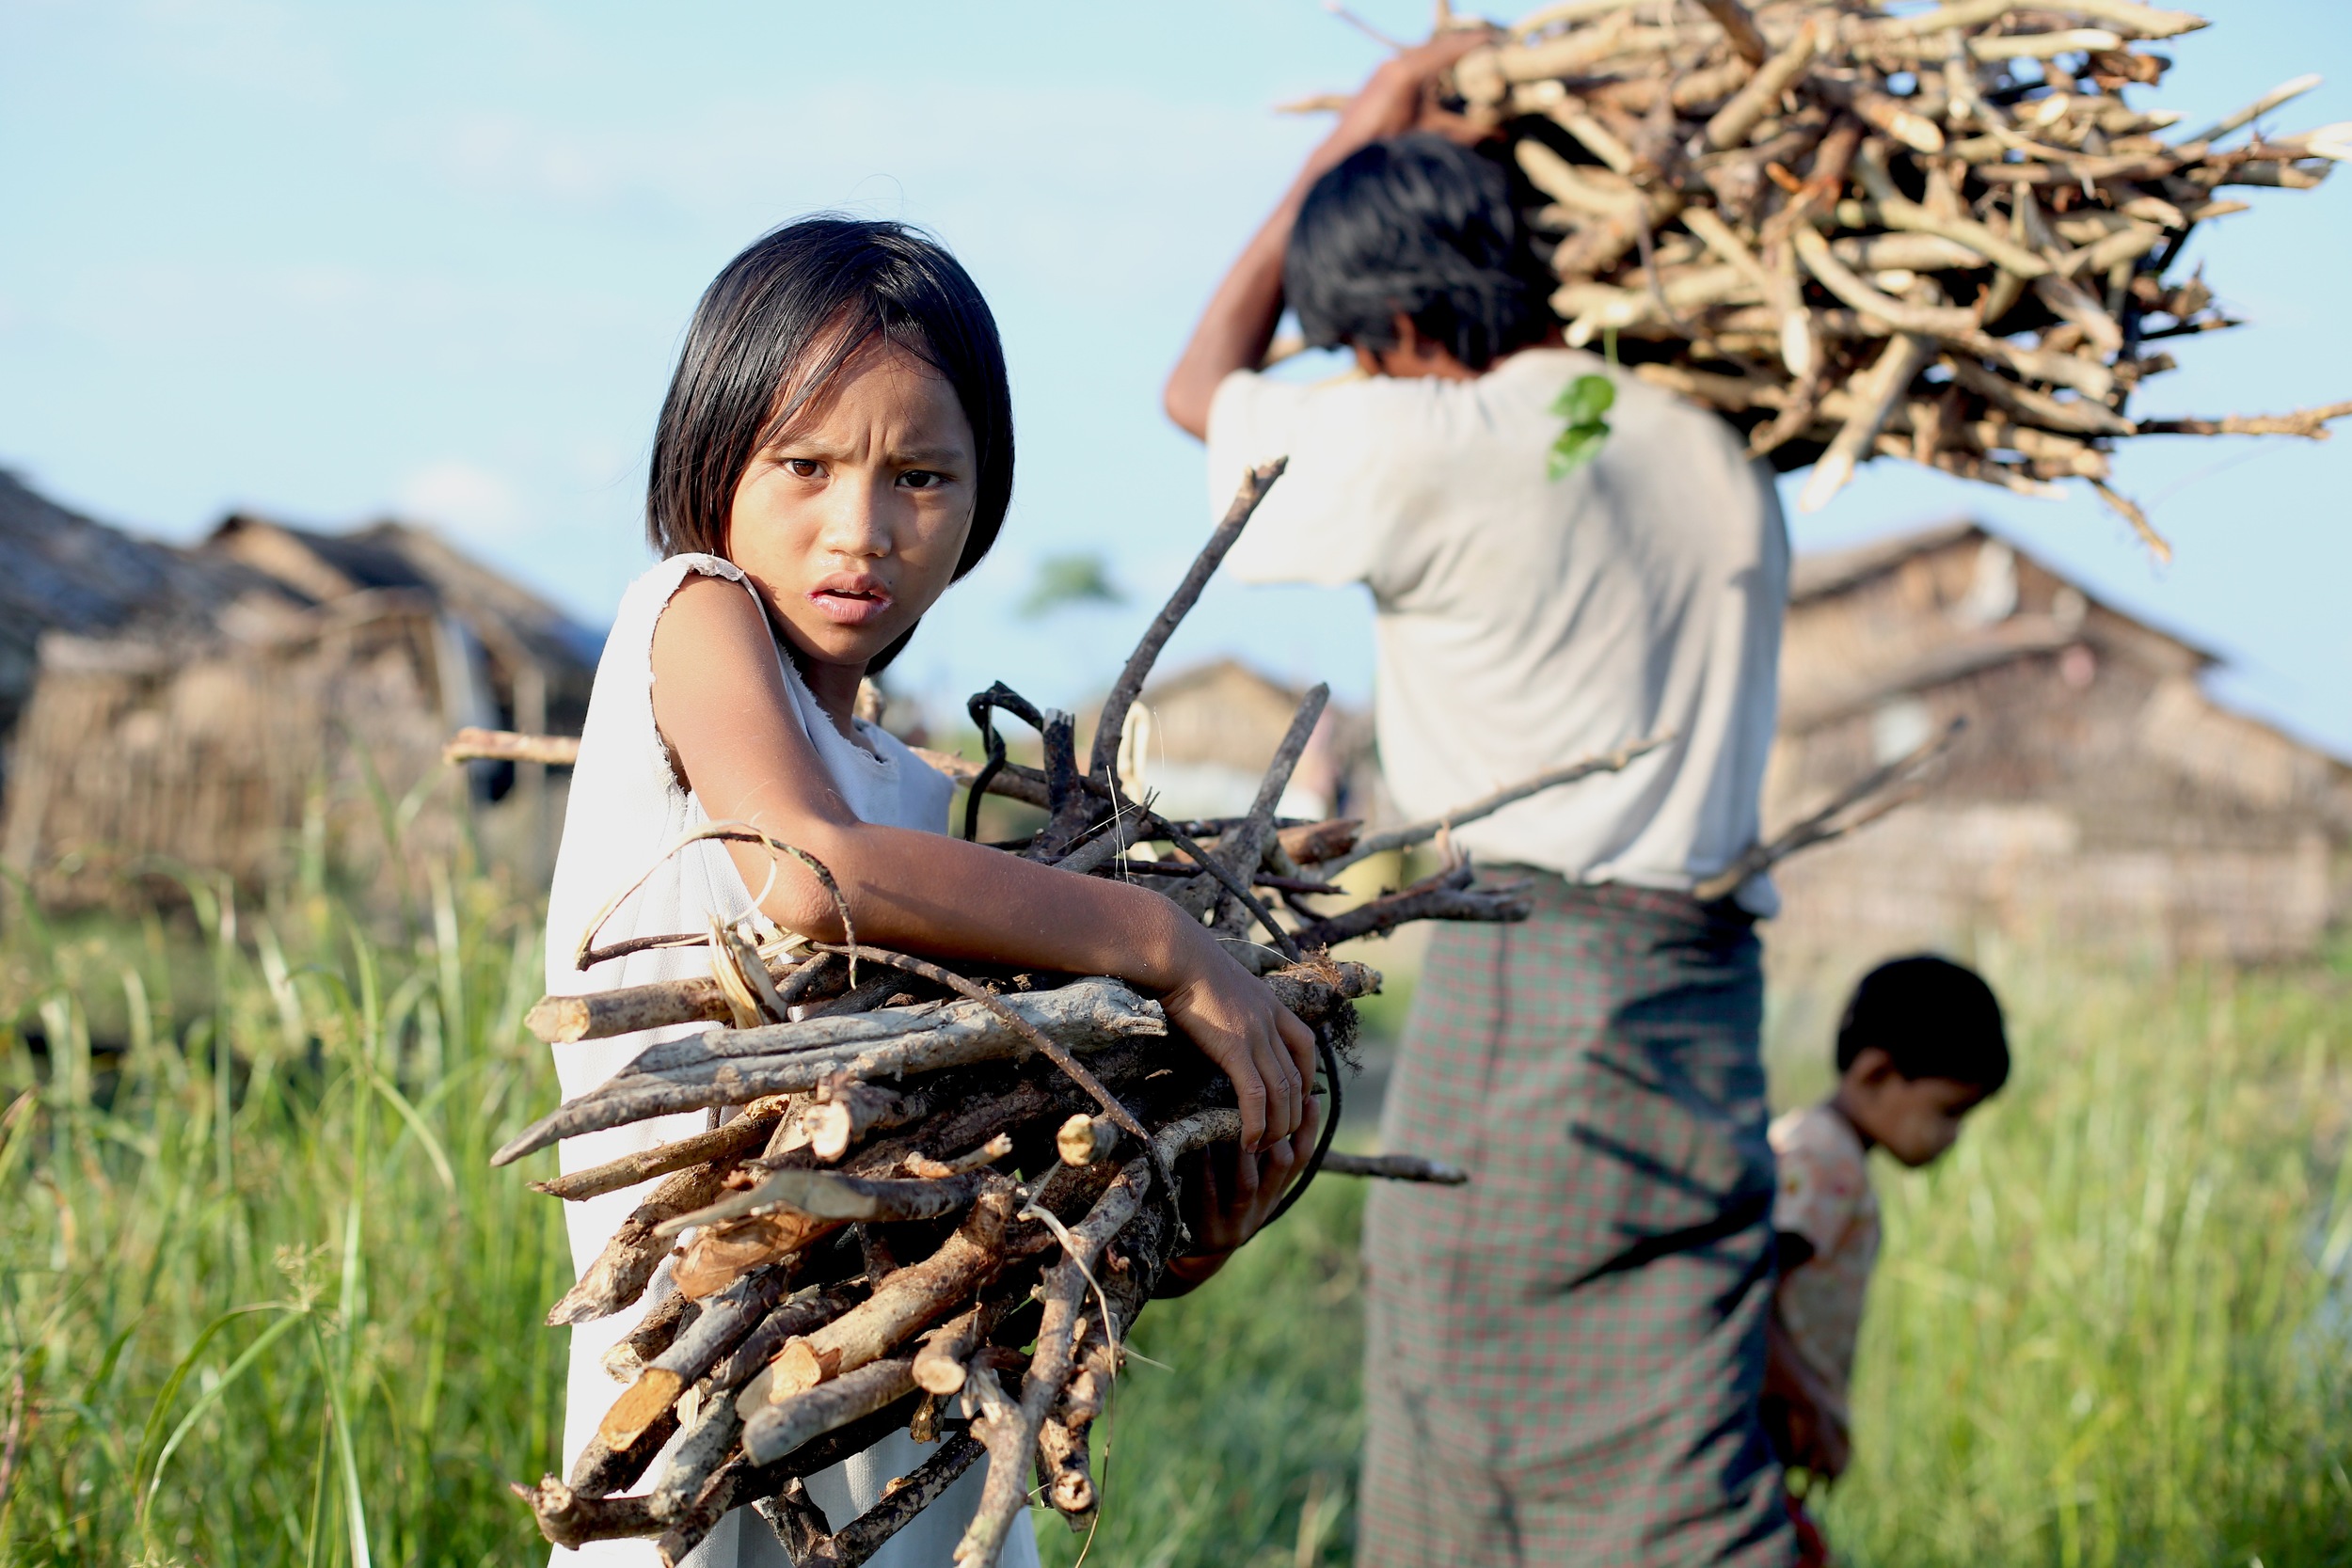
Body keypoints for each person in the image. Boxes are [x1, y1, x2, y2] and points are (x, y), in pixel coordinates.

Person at [542, 216, 1322, 1567]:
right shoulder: (693, 613)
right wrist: (1160, 938)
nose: (862, 527)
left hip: (901, 1414)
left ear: (980, 498)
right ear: (710, 455)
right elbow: (804, 868)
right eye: (804, 464)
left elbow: (1017, 1191)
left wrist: (1185, 1217)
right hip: (698, 1398)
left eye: (920, 476)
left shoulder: (904, 786)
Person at [1165, 34, 1796, 1568]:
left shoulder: (1438, 438)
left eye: (1354, 342)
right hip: (1708, 1008)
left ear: (1394, 324)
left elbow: (1201, 389)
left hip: (1534, 993)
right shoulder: (1714, 450)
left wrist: (1360, 133)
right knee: (1679, 1448)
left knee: (1464, 1428)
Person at [1763, 956, 2010, 1563]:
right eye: (1947, 1111)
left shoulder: (1822, 1148)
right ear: (1875, 1074)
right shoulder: (1824, 1160)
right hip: (1762, 1424)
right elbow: (1746, 1294)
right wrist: (1809, 1406)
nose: (1951, 1136)